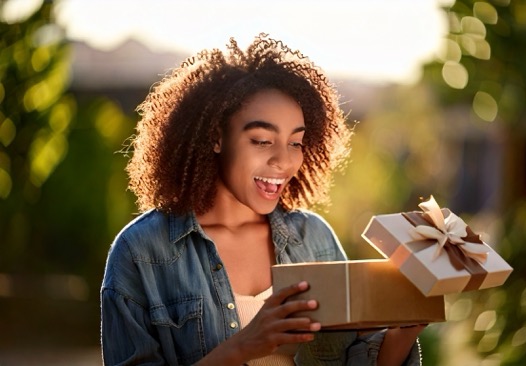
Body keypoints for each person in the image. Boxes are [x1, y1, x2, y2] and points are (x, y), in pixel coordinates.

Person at [100, 33, 426, 365]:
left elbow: (357, 358)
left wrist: (406, 329)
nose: (284, 161)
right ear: (215, 137)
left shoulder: (314, 238)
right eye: (262, 140)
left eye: (296, 143)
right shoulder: (141, 252)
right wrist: (243, 346)